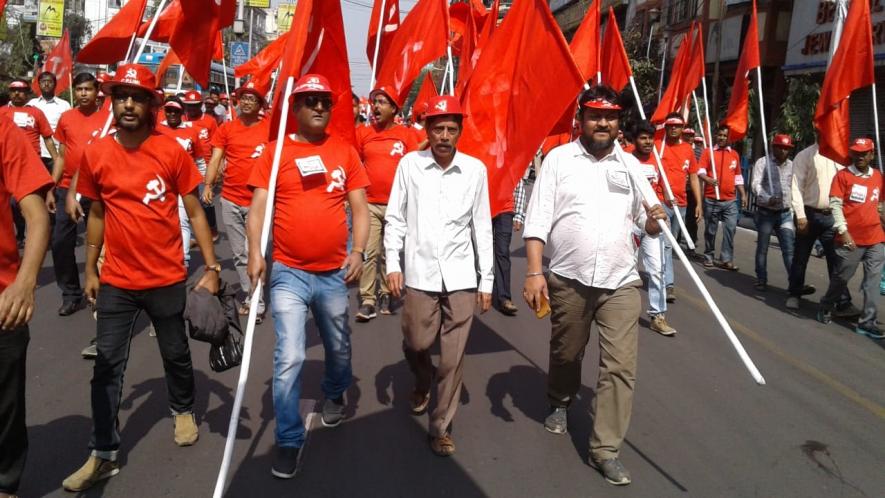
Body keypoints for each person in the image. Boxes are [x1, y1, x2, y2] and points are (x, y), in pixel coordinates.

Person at [62, 64, 221, 492]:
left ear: (151, 104)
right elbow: (96, 213)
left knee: (175, 352)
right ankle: (103, 453)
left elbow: (193, 211)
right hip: (116, 281)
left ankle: (183, 409)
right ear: (112, 102)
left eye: (137, 96)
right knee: (107, 366)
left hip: (167, 277)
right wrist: (91, 267)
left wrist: (212, 266)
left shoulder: (171, 151)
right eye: (121, 96)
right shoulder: (96, 153)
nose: (128, 104)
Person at [522, 85, 667, 486]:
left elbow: (646, 222)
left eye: (611, 116)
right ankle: (560, 400)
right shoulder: (558, 161)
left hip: (620, 281)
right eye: (595, 115)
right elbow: (536, 222)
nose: (603, 123)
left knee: (620, 366)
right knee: (567, 353)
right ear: (580, 119)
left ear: (620, 123)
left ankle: (605, 449)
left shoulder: (632, 168)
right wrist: (535, 272)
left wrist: (655, 219)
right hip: (569, 278)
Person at [245, 74, 370, 479]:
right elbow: (258, 210)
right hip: (288, 272)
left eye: (325, 101)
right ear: (294, 109)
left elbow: (361, 210)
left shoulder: (345, 151)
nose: (319, 106)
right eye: (310, 100)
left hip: (334, 274)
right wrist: (253, 254)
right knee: (290, 356)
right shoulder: (274, 151)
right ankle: (288, 440)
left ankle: (334, 393)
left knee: (339, 349)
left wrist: (357, 251)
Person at [384, 95, 493, 457]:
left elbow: (482, 227)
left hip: (461, 276)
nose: (444, 136)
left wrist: (487, 280)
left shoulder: (475, 170)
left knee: (452, 358)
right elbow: (395, 217)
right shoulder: (409, 166)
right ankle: (421, 378)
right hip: (419, 272)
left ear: (460, 132)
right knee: (416, 343)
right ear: (427, 130)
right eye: (438, 128)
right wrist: (393, 263)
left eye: (451, 129)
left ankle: (440, 427)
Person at [0, 115, 52, 498]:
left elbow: (35, 215)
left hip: (3, 301)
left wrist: (26, 282)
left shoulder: (3, 129)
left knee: (5, 407)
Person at [203, 82, 269, 321]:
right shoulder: (227, 129)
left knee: (255, 251)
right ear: (237, 101)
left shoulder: (270, 129)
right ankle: (251, 293)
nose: (248, 101)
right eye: (244, 97)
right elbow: (216, 158)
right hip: (230, 199)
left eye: (253, 98)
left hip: (258, 202)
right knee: (240, 254)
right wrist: (209, 185)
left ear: (260, 103)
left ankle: (257, 302)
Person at [354, 86, 420, 321]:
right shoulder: (362, 132)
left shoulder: (408, 135)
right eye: (375, 102)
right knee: (369, 252)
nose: (376, 106)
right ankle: (368, 300)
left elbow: (417, 161)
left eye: (382, 102)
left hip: (397, 206)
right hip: (368, 204)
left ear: (394, 108)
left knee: (389, 253)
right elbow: (353, 164)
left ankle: (385, 293)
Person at [48, 72, 108, 317]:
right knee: (60, 242)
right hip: (66, 188)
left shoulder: (108, 119)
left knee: (102, 243)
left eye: (88, 89)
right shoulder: (66, 118)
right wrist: (50, 186)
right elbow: (62, 155)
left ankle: (103, 291)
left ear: (97, 92)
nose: (83, 93)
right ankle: (71, 294)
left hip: (98, 188)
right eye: (80, 89)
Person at [816, 137, 885, 340]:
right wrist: (843, 231)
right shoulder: (843, 176)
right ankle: (827, 304)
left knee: (872, 282)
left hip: (875, 238)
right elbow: (835, 205)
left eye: (864, 153)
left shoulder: (879, 177)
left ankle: (867, 322)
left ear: (872, 154)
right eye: (856, 153)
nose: (860, 157)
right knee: (841, 278)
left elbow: (880, 204)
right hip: (850, 239)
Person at [787, 132, 852, 311]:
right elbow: (796, 186)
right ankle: (794, 293)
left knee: (836, 260)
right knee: (800, 257)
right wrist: (800, 215)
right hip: (808, 215)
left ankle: (842, 301)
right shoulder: (805, 155)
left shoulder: (839, 157)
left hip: (831, 216)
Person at [633, 120, 676, 335]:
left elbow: (663, 188)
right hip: (629, 223)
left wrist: (669, 201)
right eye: (643, 138)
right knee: (627, 270)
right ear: (635, 140)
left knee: (657, 269)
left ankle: (658, 316)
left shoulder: (658, 161)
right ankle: (617, 310)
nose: (648, 142)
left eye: (650, 138)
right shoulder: (625, 160)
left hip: (653, 223)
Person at [657, 113, 701, 301]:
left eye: (677, 126)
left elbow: (693, 177)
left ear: (683, 128)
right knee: (667, 244)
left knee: (670, 244)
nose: (674, 129)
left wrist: (698, 203)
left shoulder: (688, 150)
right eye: (670, 125)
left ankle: (660, 276)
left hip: (681, 204)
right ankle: (668, 285)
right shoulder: (658, 147)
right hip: (661, 202)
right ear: (666, 127)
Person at [158, 95, 206, 268]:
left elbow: (199, 160)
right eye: (168, 110)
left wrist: (202, 184)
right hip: (159, 184)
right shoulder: (156, 129)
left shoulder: (191, 132)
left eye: (175, 110)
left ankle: (183, 259)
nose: (171, 114)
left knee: (183, 221)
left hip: (185, 184)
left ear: (181, 112)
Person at [698, 124, 748, 270]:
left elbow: (738, 176)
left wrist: (743, 194)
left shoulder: (734, 155)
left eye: (725, 136)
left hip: (730, 200)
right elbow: (700, 170)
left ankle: (726, 259)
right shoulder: (708, 153)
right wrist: (707, 179)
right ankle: (709, 256)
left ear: (729, 138)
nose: (722, 138)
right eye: (720, 135)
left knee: (731, 228)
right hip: (711, 199)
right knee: (710, 230)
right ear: (716, 136)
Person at [751, 134, 797, 291]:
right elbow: (756, 184)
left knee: (789, 248)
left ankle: (795, 283)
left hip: (785, 213)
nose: (784, 151)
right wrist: (767, 197)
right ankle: (761, 278)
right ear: (774, 147)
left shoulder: (792, 166)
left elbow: (795, 188)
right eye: (781, 148)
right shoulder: (763, 163)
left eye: (787, 148)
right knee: (763, 247)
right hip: (766, 213)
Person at [182, 89, 220, 240]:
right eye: (189, 106)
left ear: (201, 105)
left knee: (206, 201)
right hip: (185, 167)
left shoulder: (210, 121)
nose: (192, 109)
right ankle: (191, 235)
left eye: (195, 105)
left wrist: (217, 166)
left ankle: (212, 229)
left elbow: (217, 144)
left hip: (204, 166)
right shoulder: (181, 120)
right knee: (187, 201)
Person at [28, 71, 71, 170]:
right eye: (43, 81)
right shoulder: (31, 104)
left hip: (55, 154)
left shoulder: (64, 105)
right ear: (39, 84)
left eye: (49, 81)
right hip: (35, 154)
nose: (46, 84)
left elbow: (68, 130)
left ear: (55, 84)